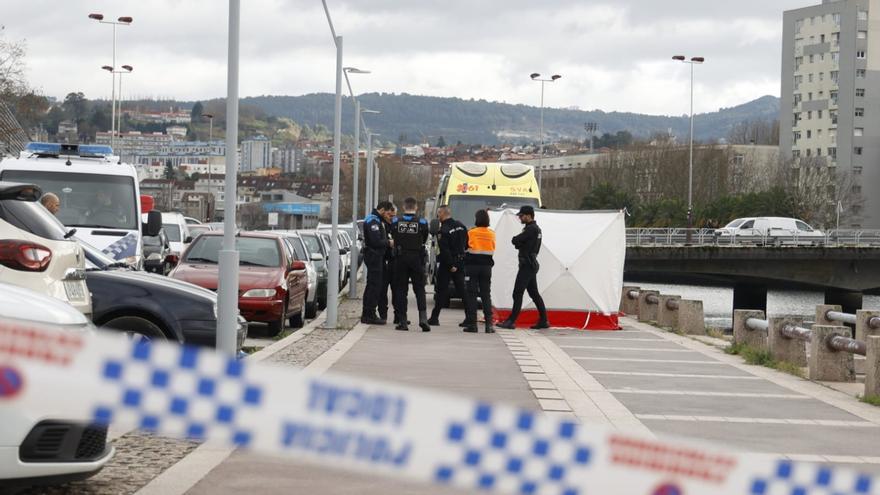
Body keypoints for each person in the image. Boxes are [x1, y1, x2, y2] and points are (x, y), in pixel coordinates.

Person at [498, 205, 549, 330]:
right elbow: (520, 242)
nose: (520, 218)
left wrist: (519, 242)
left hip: (527, 265)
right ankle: (543, 320)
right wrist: (520, 243)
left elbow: (515, 240)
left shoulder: (531, 229)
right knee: (534, 294)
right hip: (530, 264)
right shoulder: (535, 229)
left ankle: (511, 321)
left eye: (521, 216)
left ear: (528, 215)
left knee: (517, 293)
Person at [390, 197, 430, 332]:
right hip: (417, 258)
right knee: (419, 289)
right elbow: (424, 238)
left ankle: (403, 322)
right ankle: (423, 319)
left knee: (401, 290)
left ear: (403, 207)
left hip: (400, 259)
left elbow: (393, 235)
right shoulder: (422, 222)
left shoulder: (396, 221)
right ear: (416, 207)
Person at [427, 205, 469, 328]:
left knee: (441, 291)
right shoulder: (461, 226)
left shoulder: (443, 230)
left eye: (438, 213)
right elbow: (466, 243)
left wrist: (451, 265)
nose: (437, 216)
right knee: (463, 291)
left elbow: (444, 250)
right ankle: (470, 317)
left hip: (448, 265)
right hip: (461, 262)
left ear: (442, 213)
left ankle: (435, 318)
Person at [360, 201, 394, 325]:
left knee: (372, 285)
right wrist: (388, 243)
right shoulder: (373, 220)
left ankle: (367, 313)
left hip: (375, 256)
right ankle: (369, 314)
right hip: (374, 256)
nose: (389, 216)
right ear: (383, 210)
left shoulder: (377, 219)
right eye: (389, 213)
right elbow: (375, 241)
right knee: (374, 286)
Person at [464, 209, 496, 333]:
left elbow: (465, 247)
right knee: (486, 295)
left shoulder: (471, 232)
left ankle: (472, 324)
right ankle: (489, 325)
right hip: (487, 268)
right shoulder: (492, 234)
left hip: (472, 267)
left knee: (471, 295)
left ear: (476, 219)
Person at [378, 204, 401, 324]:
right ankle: (383, 315)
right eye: (390, 216)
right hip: (384, 260)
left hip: (395, 261)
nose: (392, 218)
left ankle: (398, 316)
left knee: (397, 290)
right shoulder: (381, 225)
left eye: (394, 216)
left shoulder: (396, 226)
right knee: (382, 290)